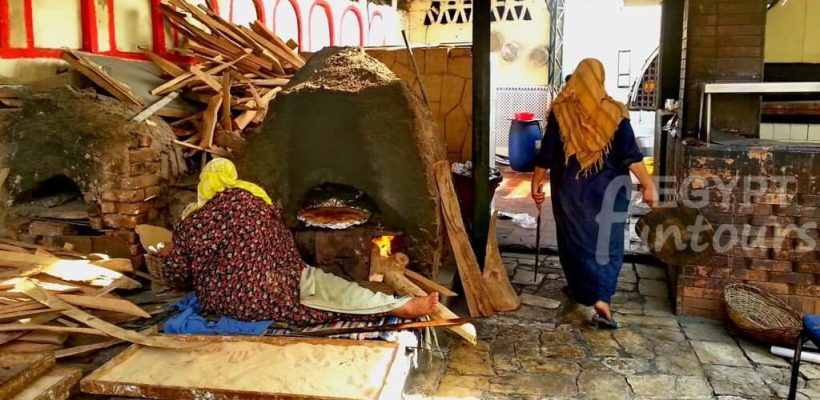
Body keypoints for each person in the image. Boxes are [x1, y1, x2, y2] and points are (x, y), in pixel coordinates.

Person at [158, 158, 438, 326]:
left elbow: (176, 276)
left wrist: (169, 255)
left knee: (311, 290)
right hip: (271, 295)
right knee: (328, 290)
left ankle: (398, 305)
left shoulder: (194, 221)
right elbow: (285, 253)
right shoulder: (257, 203)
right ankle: (396, 305)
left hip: (222, 304)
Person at [531, 58, 657, 329]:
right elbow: (630, 156)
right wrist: (648, 184)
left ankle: (583, 290)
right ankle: (600, 298)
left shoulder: (561, 111)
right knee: (607, 244)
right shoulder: (615, 112)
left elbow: (548, 153)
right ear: (600, 80)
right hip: (610, 191)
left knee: (574, 241)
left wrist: (536, 182)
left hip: (571, 191)